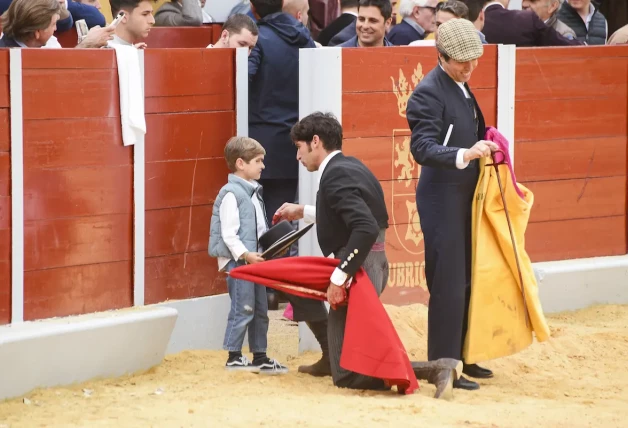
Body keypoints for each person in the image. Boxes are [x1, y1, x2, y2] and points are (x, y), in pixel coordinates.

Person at [275, 113, 461, 394]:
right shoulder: (350, 166)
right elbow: (355, 214)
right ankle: (330, 358)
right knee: (306, 295)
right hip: (372, 262)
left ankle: (434, 368)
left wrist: (340, 277)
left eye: (299, 148)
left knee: (347, 376)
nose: (298, 157)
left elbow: (363, 226)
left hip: (360, 267)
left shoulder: (335, 175)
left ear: (315, 142)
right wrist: (303, 211)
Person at [405, 18, 499, 391]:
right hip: (442, 197)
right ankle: (444, 363)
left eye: (474, 60)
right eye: (463, 61)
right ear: (441, 56)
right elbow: (421, 148)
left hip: (464, 193)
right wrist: (465, 152)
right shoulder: (428, 92)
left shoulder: (458, 85)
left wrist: (488, 141)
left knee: (469, 278)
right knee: (448, 282)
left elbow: (471, 131)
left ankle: (465, 354)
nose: (470, 67)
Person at [208, 136, 288, 375]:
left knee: (260, 308)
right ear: (241, 163)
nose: (263, 166)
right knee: (243, 307)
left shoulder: (252, 192)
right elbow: (229, 234)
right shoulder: (231, 193)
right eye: (258, 161)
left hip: (253, 261)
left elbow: (257, 229)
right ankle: (234, 355)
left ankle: (260, 355)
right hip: (240, 262)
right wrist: (245, 255)